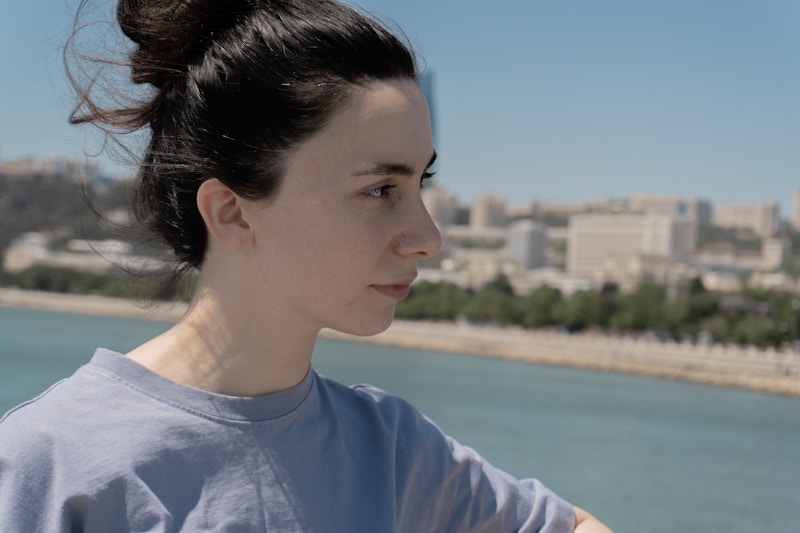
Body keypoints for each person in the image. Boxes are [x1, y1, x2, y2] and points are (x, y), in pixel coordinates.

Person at [0, 0, 613, 531]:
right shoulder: (51, 467)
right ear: (234, 213)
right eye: (380, 190)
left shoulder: (393, 453)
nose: (427, 237)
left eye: (420, 184)